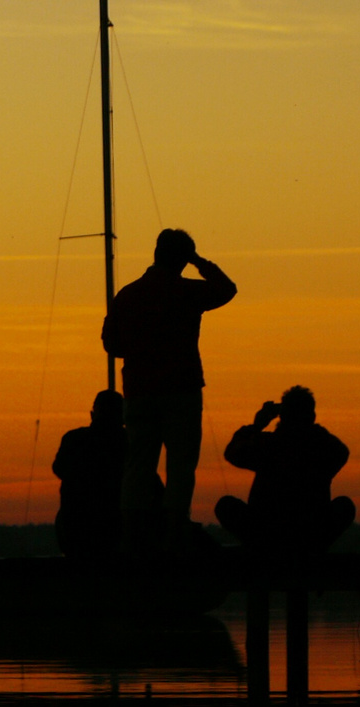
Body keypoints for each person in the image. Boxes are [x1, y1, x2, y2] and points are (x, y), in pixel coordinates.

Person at [101, 229, 237, 554]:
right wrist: (200, 263)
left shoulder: (128, 295)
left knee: (138, 463)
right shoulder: (186, 291)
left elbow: (111, 343)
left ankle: (131, 534)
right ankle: (174, 532)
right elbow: (227, 290)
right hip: (181, 389)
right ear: (182, 259)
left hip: (139, 391)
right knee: (180, 463)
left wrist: (140, 350)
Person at [214, 386, 356, 556]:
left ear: (283, 416)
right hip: (309, 533)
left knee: (226, 505)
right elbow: (341, 451)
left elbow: (232, 452)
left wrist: (256, 425)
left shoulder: (268, 445)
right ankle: (310, 550)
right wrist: (313, 429)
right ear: (311, 416)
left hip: (266, 533)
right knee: (344, 506)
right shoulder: (321, 447)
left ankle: (264, 550)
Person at [52, 390, 130, 558]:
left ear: (92, 414)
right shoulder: (128, 442)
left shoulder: (73, 439)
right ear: (123, 416)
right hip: (115, 533)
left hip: (73, 533)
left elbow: (58, 468)